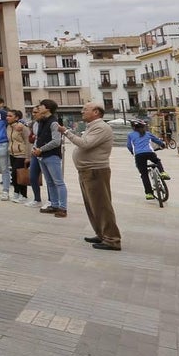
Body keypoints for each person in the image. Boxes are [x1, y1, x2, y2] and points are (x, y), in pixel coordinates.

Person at [60, 103, 120, 251]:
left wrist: (66, 132)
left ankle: (112, 239)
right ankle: (101, 233)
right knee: (93, 205)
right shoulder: (92, 126)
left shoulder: (100, 127)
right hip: (87, 171)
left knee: (102, 206)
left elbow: (85, 144)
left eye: (85, 109)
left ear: (96, 112)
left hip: (95, 171)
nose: (82, 111)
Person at [32, 99, 67, 217]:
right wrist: (36, 148)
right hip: (41, 156)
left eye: (41, 106)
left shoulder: (53, 122)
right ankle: (54, 204)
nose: (38, 108)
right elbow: (38, 137)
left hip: (51, 156)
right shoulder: (42, 121)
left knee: (58, 182)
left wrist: (41, 149)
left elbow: (56, 141)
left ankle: (63, 207)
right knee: (50, 182)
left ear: (47, 108)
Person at [127, 119, 171, 200]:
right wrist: (163, 145)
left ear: (134, 128)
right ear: (144, 127)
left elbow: (129, 146)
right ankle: (162, 172)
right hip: (150, 153)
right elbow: (158, 141)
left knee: (144, 174)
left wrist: (132, 152)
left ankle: (149, 193)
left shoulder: (131, 135)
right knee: (157, 161)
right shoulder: (147, 134)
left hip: (139, 155)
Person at [7, 109, 30, 203]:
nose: (7, 117)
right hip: (12, 153)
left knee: (20, 174)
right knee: (14, 175)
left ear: (16, 117)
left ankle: (23, 195)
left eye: (10, 116)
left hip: (22, 154)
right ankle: (16, 192)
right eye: (7, 116)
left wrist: (28, 156)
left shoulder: (23, 127)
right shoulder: (8, 127)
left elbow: (28, 142)